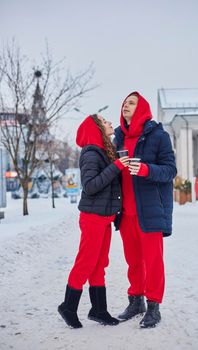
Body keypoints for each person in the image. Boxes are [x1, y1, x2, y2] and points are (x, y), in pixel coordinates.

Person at [58, 114, 129, 328]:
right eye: (105, 121)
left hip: (104, 218)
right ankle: (68, 307)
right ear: (97, 129)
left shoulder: (105, 151)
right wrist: (116, 166)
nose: (109, 123)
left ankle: (99, 310)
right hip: (92, 218)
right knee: (86, 262)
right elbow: (90, 186)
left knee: (100, 264)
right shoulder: (90, 153)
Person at [114, 92, 177, 328]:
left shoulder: (159, 136)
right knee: (133, 261)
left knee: (152, 261)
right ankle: (135, 301)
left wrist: (145, 169)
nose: (125, 106)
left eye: (131, 103)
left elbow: (170, 170)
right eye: (124, 103)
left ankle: (153, 306)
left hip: (149, 210)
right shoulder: (118, 138)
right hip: (125, 211)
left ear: (142, 108)